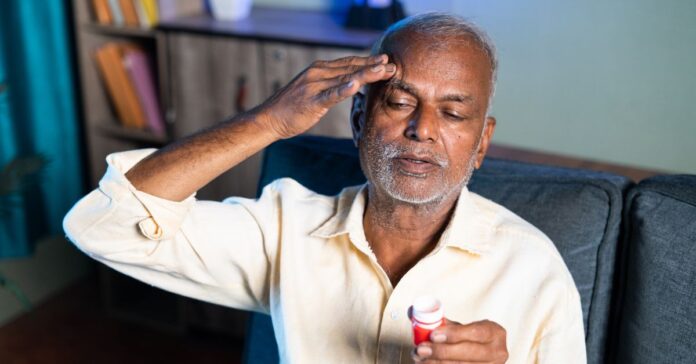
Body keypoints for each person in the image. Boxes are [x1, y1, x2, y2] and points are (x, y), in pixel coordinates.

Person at [64, 12, 585, 363]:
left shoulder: (533, 270)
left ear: (481, 143)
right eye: (400, 103)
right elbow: (104, 227)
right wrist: (267, 122)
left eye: (452, 113)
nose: (422, 129)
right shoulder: (285, 227)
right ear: (358, 118)